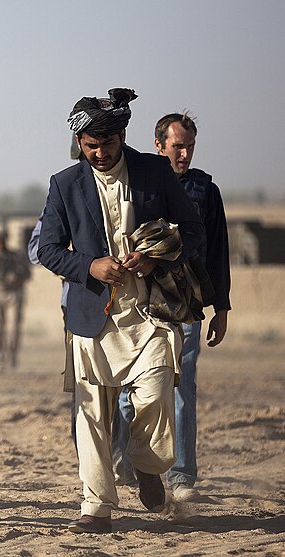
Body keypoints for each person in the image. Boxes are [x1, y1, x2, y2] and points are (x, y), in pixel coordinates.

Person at [37, 88, 205, 534]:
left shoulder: (154, 171)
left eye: (105, 144)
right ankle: (95, 506)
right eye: (89, 145)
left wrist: (156, 257)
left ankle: (146, 462)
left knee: (154, 397)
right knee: (90, 412)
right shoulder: (64, 183)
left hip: (150, 312)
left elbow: (193, 230)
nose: (97, 152)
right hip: (93, 315)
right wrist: (89, 265)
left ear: (122, 136)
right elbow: (47, 250)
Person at [119, 112, 230, 502]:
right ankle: (128, 461)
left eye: (189, 146)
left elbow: (216, 250)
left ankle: (182, 477)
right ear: (159, 145)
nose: (183, 154)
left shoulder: (204, 191)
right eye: (177, 145)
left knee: (183, 388)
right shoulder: (140, 185)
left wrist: (222, 307)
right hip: (141, 302)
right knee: (129, 387)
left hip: (187, 305)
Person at [0, 226, 31, 372]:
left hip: (14, 293)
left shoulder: (16, 255)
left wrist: (16, 277)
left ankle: (12, 357)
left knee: (13, 328)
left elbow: (27, 274)